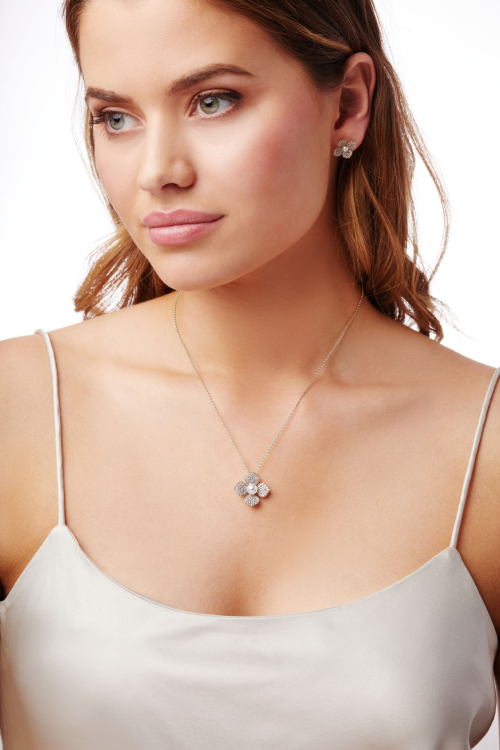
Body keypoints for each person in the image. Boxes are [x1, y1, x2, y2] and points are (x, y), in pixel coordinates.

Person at [0, 0, 499, 747]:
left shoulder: (485, 447)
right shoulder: (18, 412)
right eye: (115, 117)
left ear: (348, 105)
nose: (158, 172)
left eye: (213, 101)